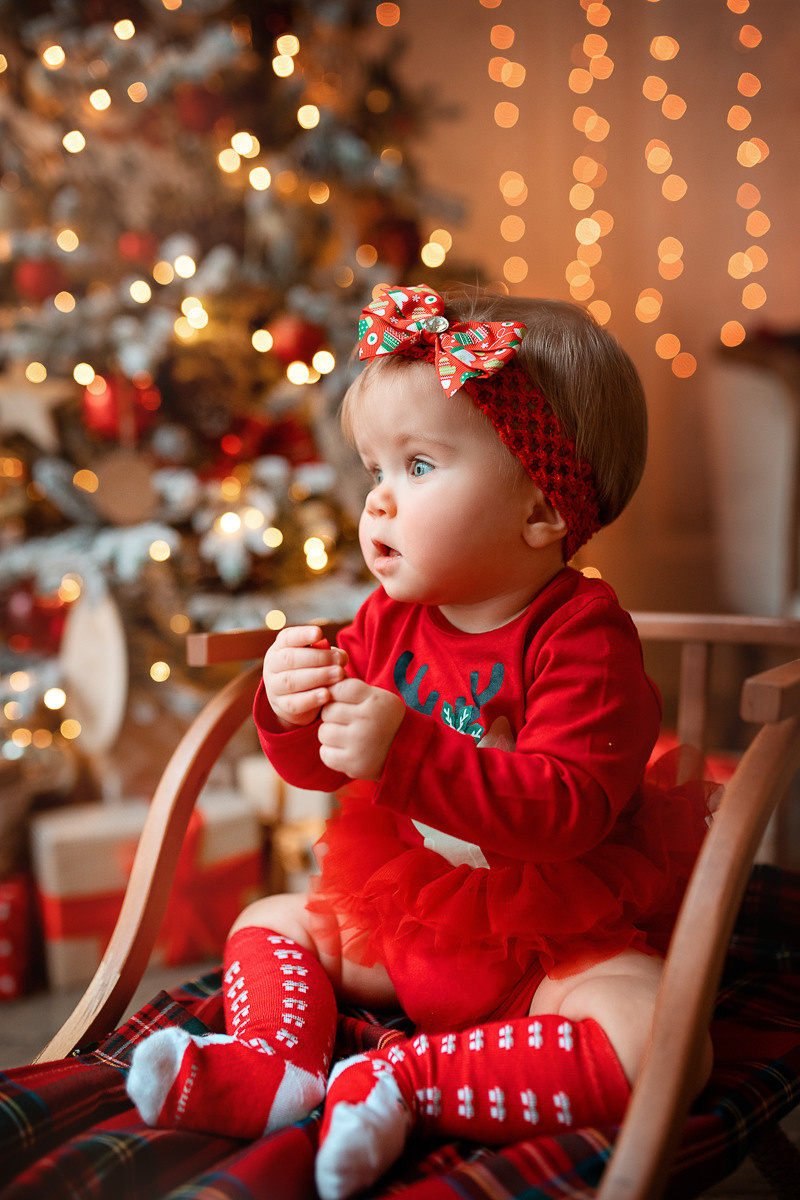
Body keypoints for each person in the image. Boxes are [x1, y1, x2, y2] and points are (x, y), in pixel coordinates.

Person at [127, 284, 712, 1199]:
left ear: (543, 511)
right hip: (405, 926)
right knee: (270, 920)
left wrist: (408, 755)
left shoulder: (584, 639)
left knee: (657, 1034)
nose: (380, 506)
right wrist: (287, 711)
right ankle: (273, 1069)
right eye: (374, 472)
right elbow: (322, 763)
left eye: (420, 467)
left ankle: (406, 1080)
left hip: (545, 944)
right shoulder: (387, 619)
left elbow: (567, 809)